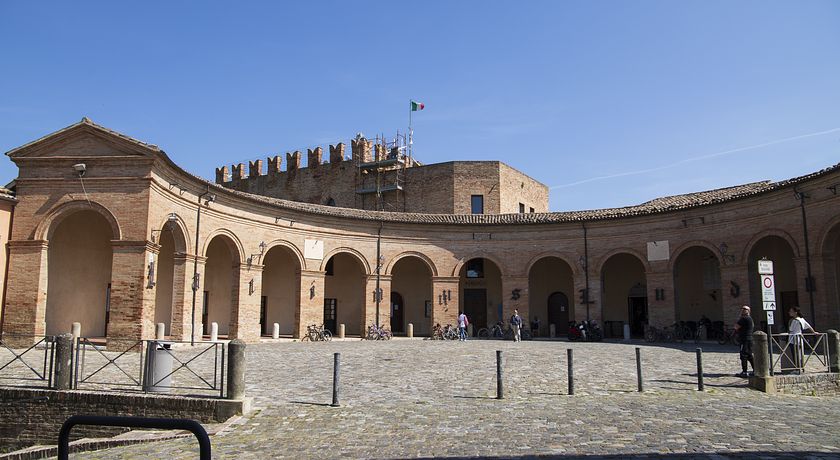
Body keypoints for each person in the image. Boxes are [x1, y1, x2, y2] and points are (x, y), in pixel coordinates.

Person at [788, 306, 817, 374]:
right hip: (800, 338)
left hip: (793, 338)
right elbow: (809, 326)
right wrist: (814, 332)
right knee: (800, 354)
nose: (789, 313)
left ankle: (797, 369)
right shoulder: (802, 319)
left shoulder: (794, 320)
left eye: (791, 311)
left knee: (795, 354)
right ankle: (801, 368)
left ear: (795, 312)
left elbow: (790, 329)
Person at [733, 305, 754, 377]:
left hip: (744, 339)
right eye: (742, 309)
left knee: (743, 355)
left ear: (748, 311)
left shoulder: (744, 318)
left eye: (745, 309)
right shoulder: (750, 318)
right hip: (749, 339)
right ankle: (755, 370)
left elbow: (736, 327)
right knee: (749, 355)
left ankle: (744, 372)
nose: (743, 310)